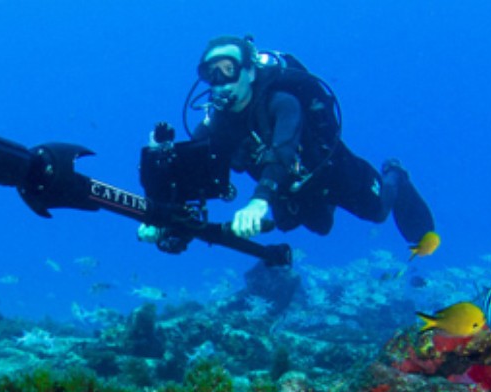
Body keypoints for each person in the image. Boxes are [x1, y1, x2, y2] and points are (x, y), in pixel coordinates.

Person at [139, 35, 438, 253]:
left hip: (332, 170)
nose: (220, 80)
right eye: (210, 73)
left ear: (250, 71)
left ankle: (395, 174)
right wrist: (164, 209)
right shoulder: (216, 123)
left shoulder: (282, 102)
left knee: (377, 212)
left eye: (227, 69)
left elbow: (284, 149)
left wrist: (258, 201)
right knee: (320, 227)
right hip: (288, 188)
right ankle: (323, 205)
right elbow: (197, 175)